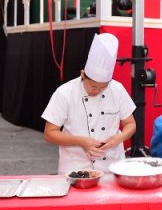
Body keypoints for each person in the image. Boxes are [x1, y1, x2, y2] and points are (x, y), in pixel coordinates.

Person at [42, 33, 137, 174]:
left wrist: (119, 138)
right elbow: (49, 133)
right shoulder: (65, 92)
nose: (97, 91)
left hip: (112, 165)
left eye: (103, 87)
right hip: (75, 167)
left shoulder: (117, 89)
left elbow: (131, 124)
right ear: (82, 75)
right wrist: (81, 141)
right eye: (93, 86)